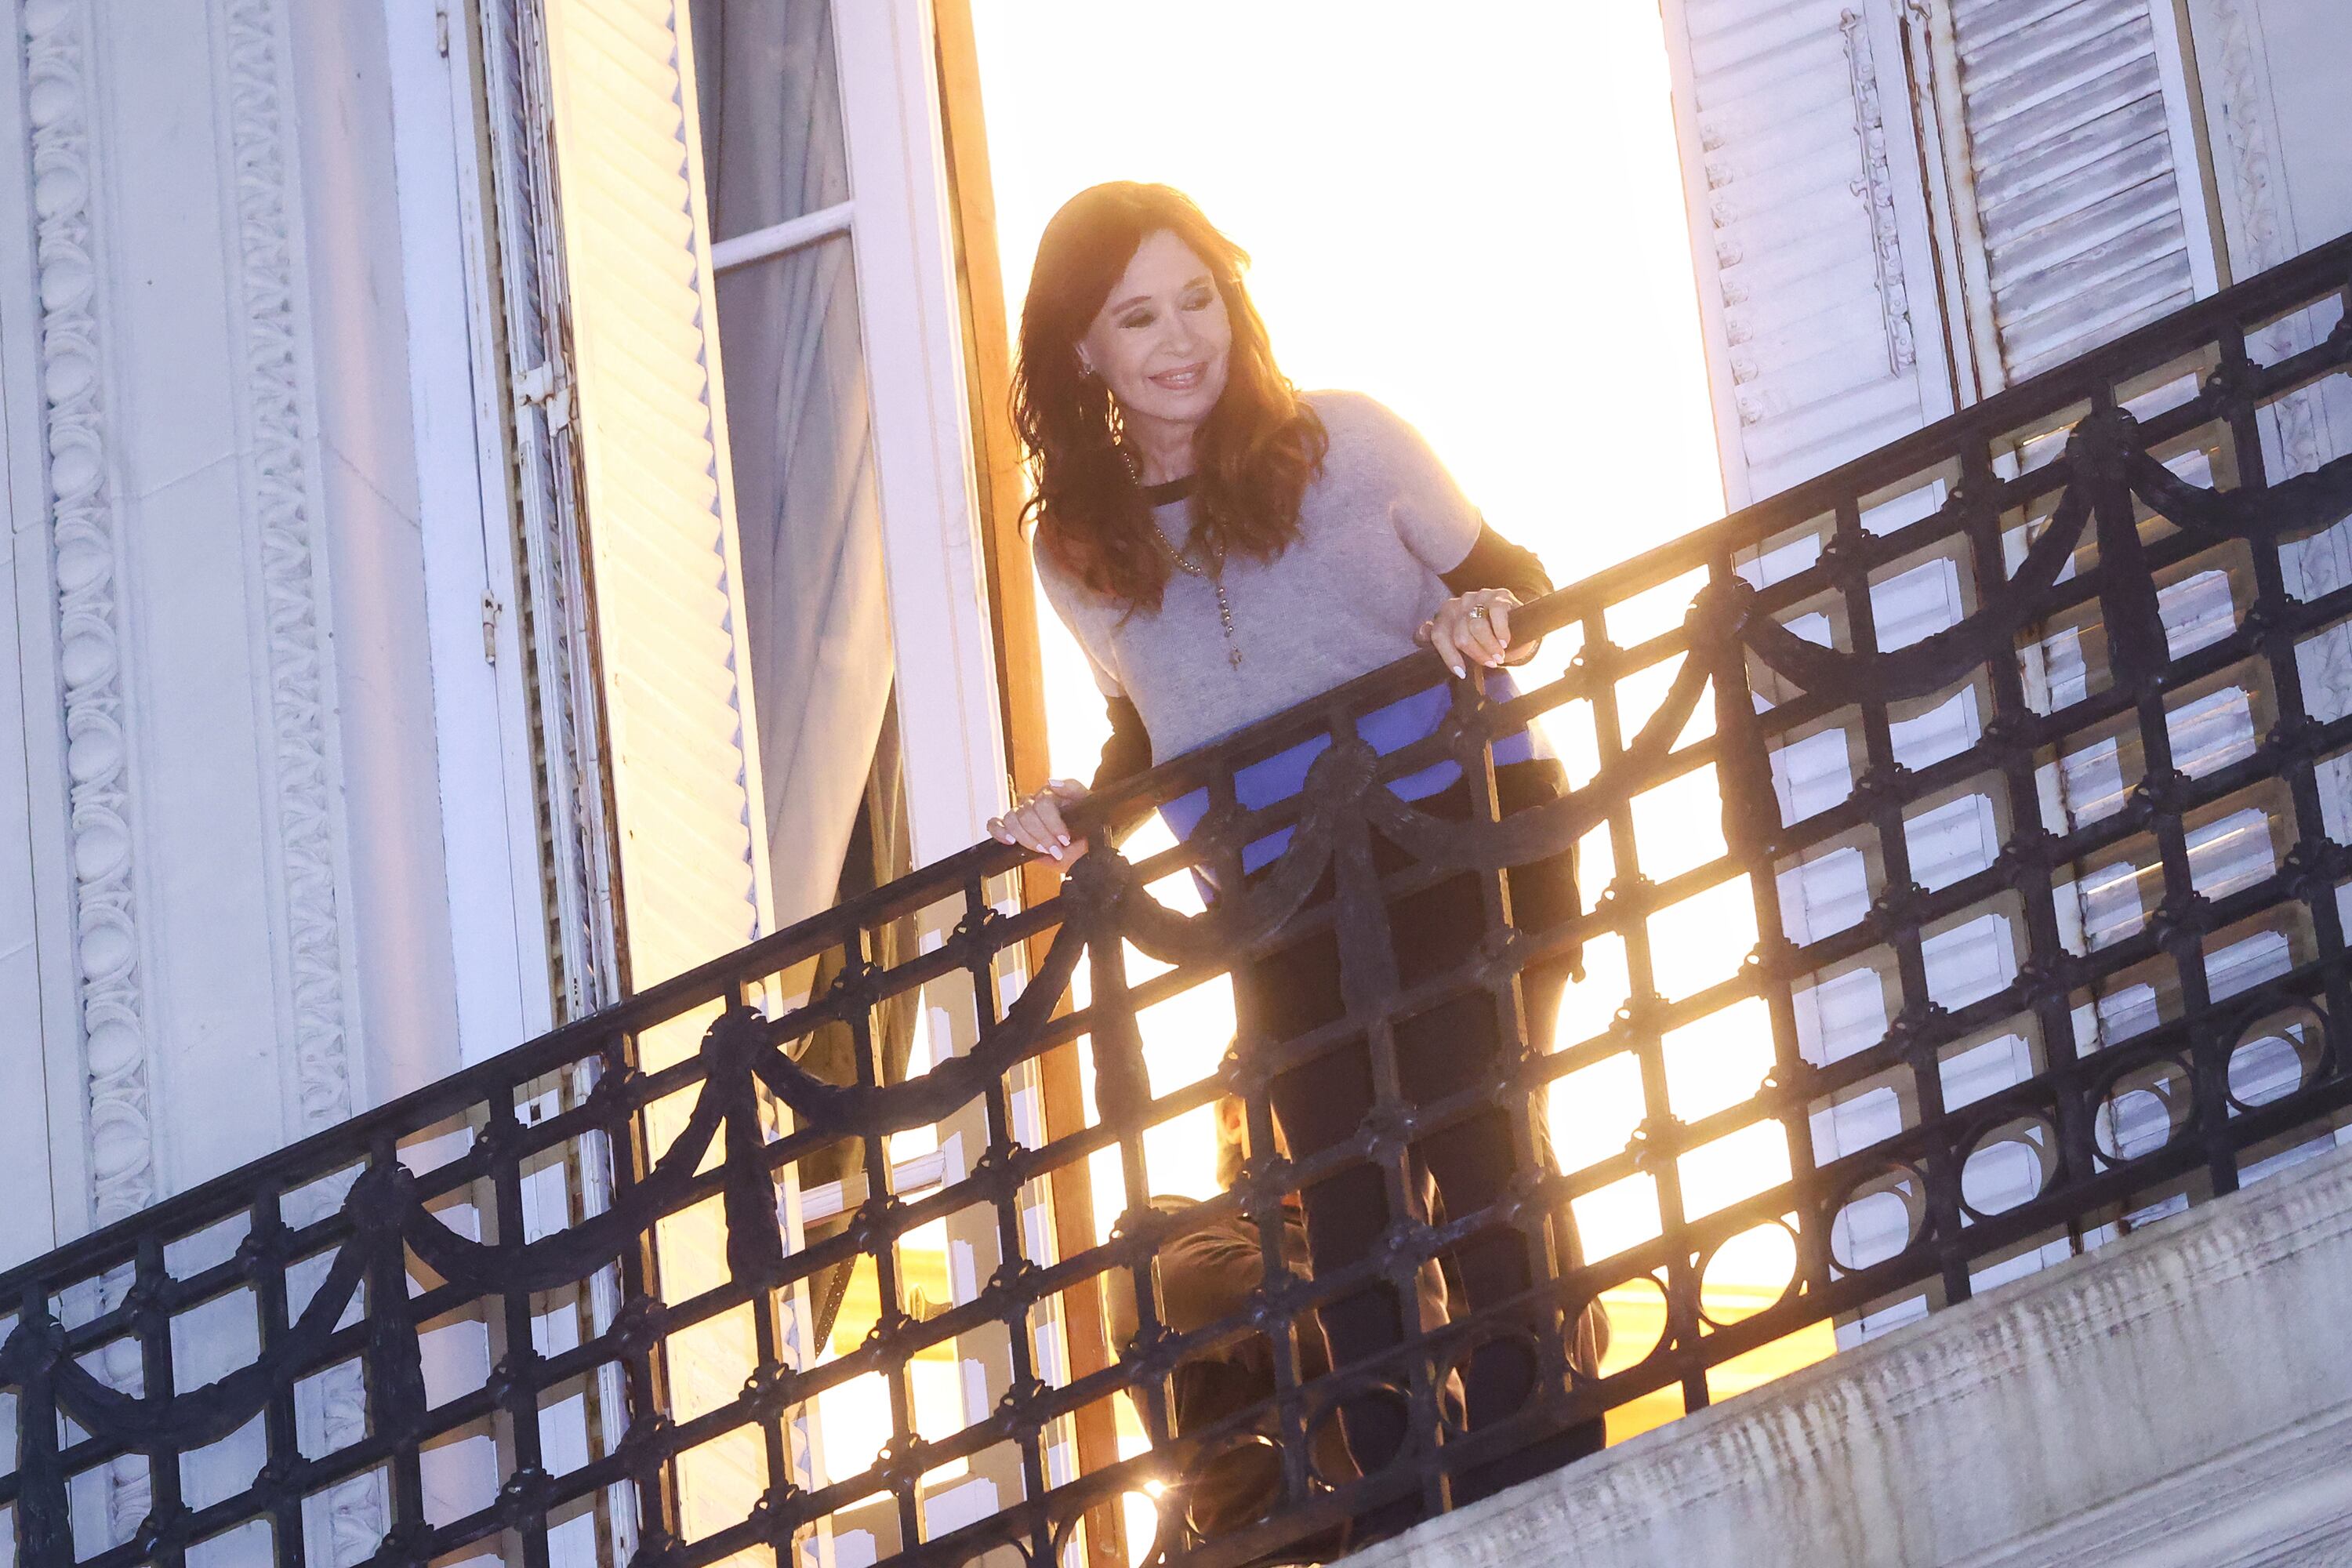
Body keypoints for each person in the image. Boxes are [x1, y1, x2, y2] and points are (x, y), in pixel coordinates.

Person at [989, 181, 1602, 1525]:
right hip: (1277, 893)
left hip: (1460, 827)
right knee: (1340, 1202)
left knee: (1472, 1136)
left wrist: (1486, 615)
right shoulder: (1073, 546)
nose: (1181, 338)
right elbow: (1151, 724)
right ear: (1082, 351)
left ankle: (1543, 1481)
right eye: (1138, 316)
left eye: (1198, 298)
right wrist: (1080, 811)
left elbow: (1520, 581)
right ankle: (1400, 1508)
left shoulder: (1351, 440)